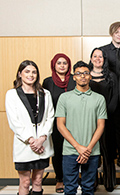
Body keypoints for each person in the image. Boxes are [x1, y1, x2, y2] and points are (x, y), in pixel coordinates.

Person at [56, 61, 107, 195]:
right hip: (70, 150)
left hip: (92, 151)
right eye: (78, 74)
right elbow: (60, 125)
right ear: (74, 77)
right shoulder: (64, 98)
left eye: (85, 73)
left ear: (90, 76)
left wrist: (88, 149)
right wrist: (78, 147)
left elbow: (101, 126)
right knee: (70, 188)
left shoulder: (99, 99)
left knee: (89, 188)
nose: (82, 76)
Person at [5, 60, 54, 195]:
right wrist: (32, 140)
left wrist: (42, 138)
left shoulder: (45, 93)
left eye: (34, 72)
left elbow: (50, 117)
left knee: (38, 181)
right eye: (27, 71)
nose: (31, 75)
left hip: (42, 144)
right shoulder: (12, 94)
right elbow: (14, 121)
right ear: (20, 74)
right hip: (25, 144)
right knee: (25, 182)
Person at [42, 53, 76, 193]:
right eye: (59, 63)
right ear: (54, 65)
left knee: (74, 149)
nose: (62, 65)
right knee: (58, 151)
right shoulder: (48, 82)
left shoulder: (74, 79)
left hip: (74, 121)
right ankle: (60, 179)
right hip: (57, 123)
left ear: (69, 65)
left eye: (65, 63)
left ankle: (73, 179)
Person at [100, 21, 120, 169]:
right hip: (107, 93)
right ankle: (104, 156)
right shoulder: (102, 51)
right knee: (105, 126)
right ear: (112, 33)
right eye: (117, 32)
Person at [89, 47, 118, 191]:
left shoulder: (111, 76)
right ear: (91, 59)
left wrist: (105, 116)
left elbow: (115, 98)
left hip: (107, 118)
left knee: (107, 150)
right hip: (89, 120)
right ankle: (92, 182)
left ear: (104, 59)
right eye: (95, 56)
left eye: (101, 57)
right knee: (92, 150)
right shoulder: (85, 75)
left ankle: (109, 182)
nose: (98, 59)